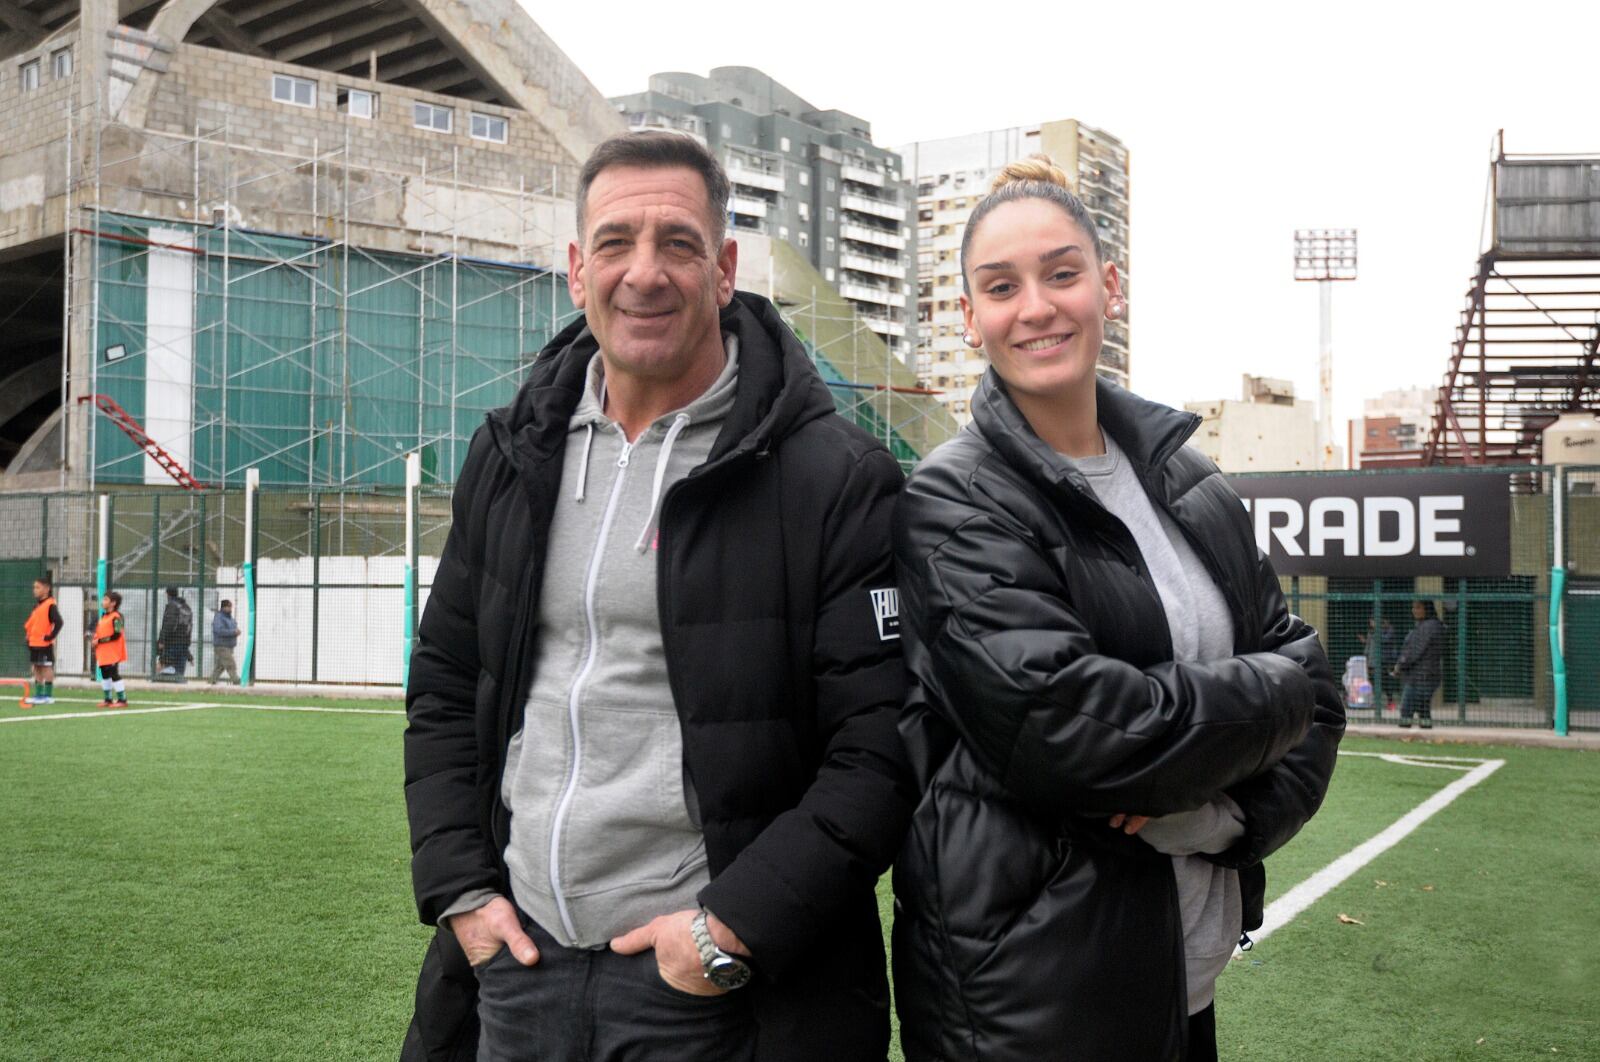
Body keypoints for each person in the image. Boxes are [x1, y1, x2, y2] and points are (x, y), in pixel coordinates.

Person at [402, 131, 913, 1062]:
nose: (644, 272)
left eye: (677, 243)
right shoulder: (512, 453)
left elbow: (881, 748)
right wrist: (464, 894)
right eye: (615, 242)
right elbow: (443, 681)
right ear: (574, 269)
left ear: (723, 269)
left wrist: (725, 935)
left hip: (714, 989)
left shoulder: (836, 477)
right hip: (517, 967)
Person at [890, 157, 1346, 1062]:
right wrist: (1280, 691)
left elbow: (1319, 694)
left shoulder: (1191, 479)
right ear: (969, 314)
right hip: (1037, 1001)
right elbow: (1072, 730)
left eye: (1062, 273)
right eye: (1001, 286)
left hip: (1185, 974)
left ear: (1110, 286)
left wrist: (1225, 819)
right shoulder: (954, 500)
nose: (1037, 306)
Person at [1393, 599, 1446, 729]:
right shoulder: (1428, 625)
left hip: (1422, 677)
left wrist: (1400, 665)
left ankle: (1405, 738)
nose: (1414, 611)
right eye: (1414, 608)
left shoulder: (1429, 626)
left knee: (1407, 710)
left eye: (1418, 608)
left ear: (1426, 609)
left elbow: (1414, 651)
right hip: (1423, 675)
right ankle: (1425, 735)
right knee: (1423, 710)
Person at [23, 576, 63, 705]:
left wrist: (50, 636)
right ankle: (39, 695)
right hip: (34, 643)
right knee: (37, 667)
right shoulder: (37, 606)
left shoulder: (50, 605)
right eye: (34, 587)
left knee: (46, 667)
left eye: (37, 587)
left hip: (44, 644)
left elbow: (59, 622)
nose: (34, 590)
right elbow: (32, 624)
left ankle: (48, 695)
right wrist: (28, 637)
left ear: (47, 589)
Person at [93, 591, 129, 708]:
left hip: (113, 652)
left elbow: (117, 635)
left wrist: (99, 641)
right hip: (103, 652)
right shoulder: (103, 616)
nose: (103, 602)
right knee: (105, 675)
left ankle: (122, 699)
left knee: (114, 674)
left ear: (113, 603)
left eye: (105, 600)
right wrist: (95, 640)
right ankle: (108, 699)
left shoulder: (117, 617)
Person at [155, 587, 193, 680]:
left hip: (171, 642)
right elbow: (189, 626)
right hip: (184, 643)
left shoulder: (172, 605)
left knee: (164, 665)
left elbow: (168, 624)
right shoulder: (186, 607)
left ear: (167, 594)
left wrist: (161, 640)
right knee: (179, 673)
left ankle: (155, 680)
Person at [211, 600, 240, 684]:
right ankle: (236, 681)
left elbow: (233, 627)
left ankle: (211, 682)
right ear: (224, 607)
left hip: (229, 646)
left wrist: (236, 631)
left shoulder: (230, 618)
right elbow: (218, 631)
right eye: (229, 607)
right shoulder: (219, 617)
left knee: (220, 667)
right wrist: (233, 632)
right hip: (221, 646)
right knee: (230, 664)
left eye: (231, 607)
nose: (230, 609)